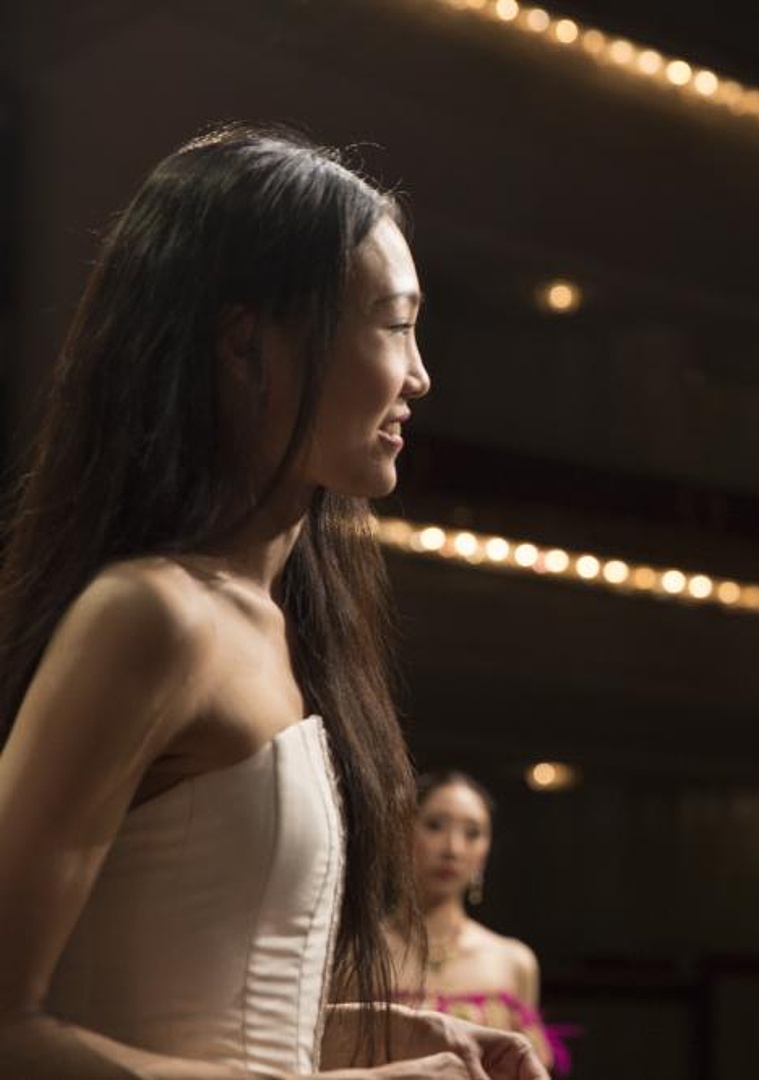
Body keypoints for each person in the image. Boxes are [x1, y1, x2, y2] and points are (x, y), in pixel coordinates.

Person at [0, 124, 546, 1079]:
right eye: (393, 321)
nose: (419, 375)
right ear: (250, 346)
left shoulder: (281, 628)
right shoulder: (150, 617)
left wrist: (375, 1037)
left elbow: (180, 1001)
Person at [387, 772, 574, 1075]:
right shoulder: (359, 953)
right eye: (435, 826)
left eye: (472, 833)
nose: (453, 849)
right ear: (403, 832)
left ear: (485, 849)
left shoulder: (513, 961)